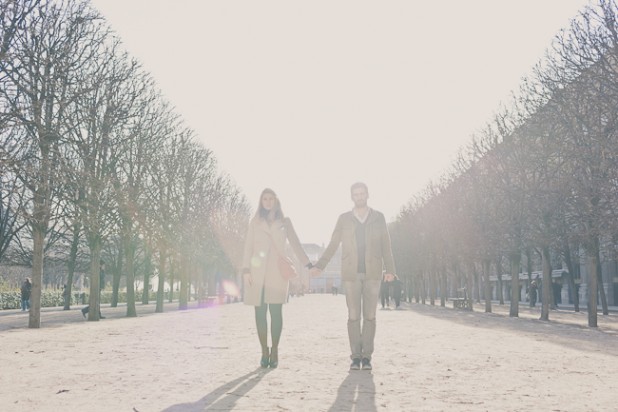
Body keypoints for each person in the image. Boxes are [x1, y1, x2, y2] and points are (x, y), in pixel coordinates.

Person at [310, 182, 396, 371]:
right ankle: (355, 357)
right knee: (353, 315)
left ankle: (367, 357)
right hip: (351, 273)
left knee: (371, 316)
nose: (359, 196)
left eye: (362, 193)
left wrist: (390, 269)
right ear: (352, 197)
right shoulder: (344, 219)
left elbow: (386, 245)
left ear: (367, 194)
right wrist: (320, 265)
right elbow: (333, 244)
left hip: (373, 271)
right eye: (356, 194)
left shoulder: (378, 217)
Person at [241, 188, 311, 369]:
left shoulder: (285, 222)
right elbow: (248, 247)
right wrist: (246, 270)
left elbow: (295, 244)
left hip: (277, 273)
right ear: (261, 202)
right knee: (260, 313)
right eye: (265, 199)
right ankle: (264, 351)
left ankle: (275, 350)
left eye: (271, 199)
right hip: (257, 273)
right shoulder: (255, 222)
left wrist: (308, 264)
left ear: (276, 201)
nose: (268, 202)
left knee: (276, 313)